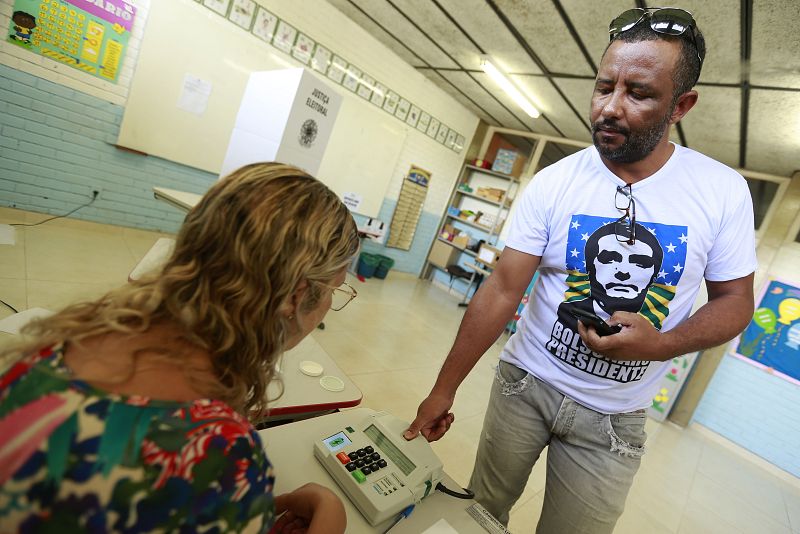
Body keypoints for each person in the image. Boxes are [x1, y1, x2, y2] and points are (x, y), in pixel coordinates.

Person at [404, 7, 757, 534]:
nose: (609, 107)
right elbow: (501, 290)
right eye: (603, 86)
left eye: (638, 93)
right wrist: (443, 389)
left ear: (681, 105)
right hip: (524, 386)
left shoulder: (722, 191)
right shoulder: (555, 182)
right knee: (479, 515)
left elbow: (736, 303)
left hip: (616, 418)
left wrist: (658, 344)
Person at [0, 163, 359, 533]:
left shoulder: (66, 340)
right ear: (296, 296)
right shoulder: (216, 453)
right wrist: (328, 512)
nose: (330, 303)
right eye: (334, 289)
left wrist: (243, 508)